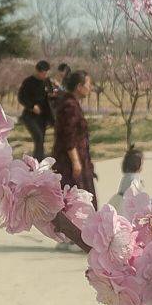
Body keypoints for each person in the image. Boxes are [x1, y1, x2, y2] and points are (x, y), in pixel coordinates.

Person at [52, 67, 96, 203]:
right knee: (77, 203)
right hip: (70, 161)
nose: (91, 88)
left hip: (80, 158)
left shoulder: (72, 103)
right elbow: (68, 135)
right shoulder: (69, 106)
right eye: (88, 84)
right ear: (79, 87)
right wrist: (75, 162)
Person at [16, 59, 54, 161]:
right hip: (30, 116)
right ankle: (37, 162)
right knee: (38, 137)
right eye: (42, 73)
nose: (44, 75)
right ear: (37, 71)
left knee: (41, 140)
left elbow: (50, 96)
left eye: (46, 73)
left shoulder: (47, 81)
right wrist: (32, 106)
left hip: (43, 116)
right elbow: (21, 97)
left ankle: (39, 162)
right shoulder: (28, 82)